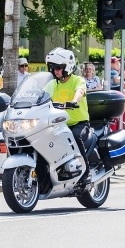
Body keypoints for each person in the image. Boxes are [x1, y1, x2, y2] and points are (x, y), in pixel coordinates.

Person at [43, 47, 91, 184]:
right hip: (59, 124)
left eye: (59, 67)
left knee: (75, 136)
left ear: (67, 67)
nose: (56, 70)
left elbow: (80, 91)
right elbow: (40, 94)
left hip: (79, 123)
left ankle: (86, 173)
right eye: (53, 67)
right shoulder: (52, 84)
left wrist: (75, 101)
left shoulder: (78, 80)